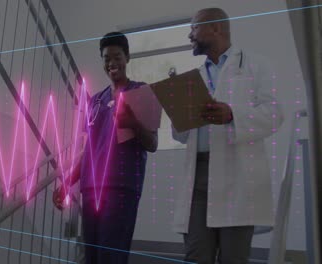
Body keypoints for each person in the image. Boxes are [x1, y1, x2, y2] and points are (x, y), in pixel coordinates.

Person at [171, 8, 284, 263]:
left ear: (215, 28)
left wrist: (232, 115)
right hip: (197, 178)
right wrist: (177, 109)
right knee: (195, 255)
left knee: (234, 258)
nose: (190, 35)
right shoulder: (194, 77)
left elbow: (275, 114)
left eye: (194, 28)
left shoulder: (256, 65)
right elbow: (180, 136)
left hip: (238, 176)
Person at [53, 32, 158, 263]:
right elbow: (88, 149)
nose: (112, 63)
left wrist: (133, 124)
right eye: (106, 58)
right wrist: (67, 182)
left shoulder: (141, 92)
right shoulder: (95, 102)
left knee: (111, 257)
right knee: (92, 258)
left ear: (127, 57)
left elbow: (152, 143)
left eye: (117, 56)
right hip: (91, 189)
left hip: (122, 188)